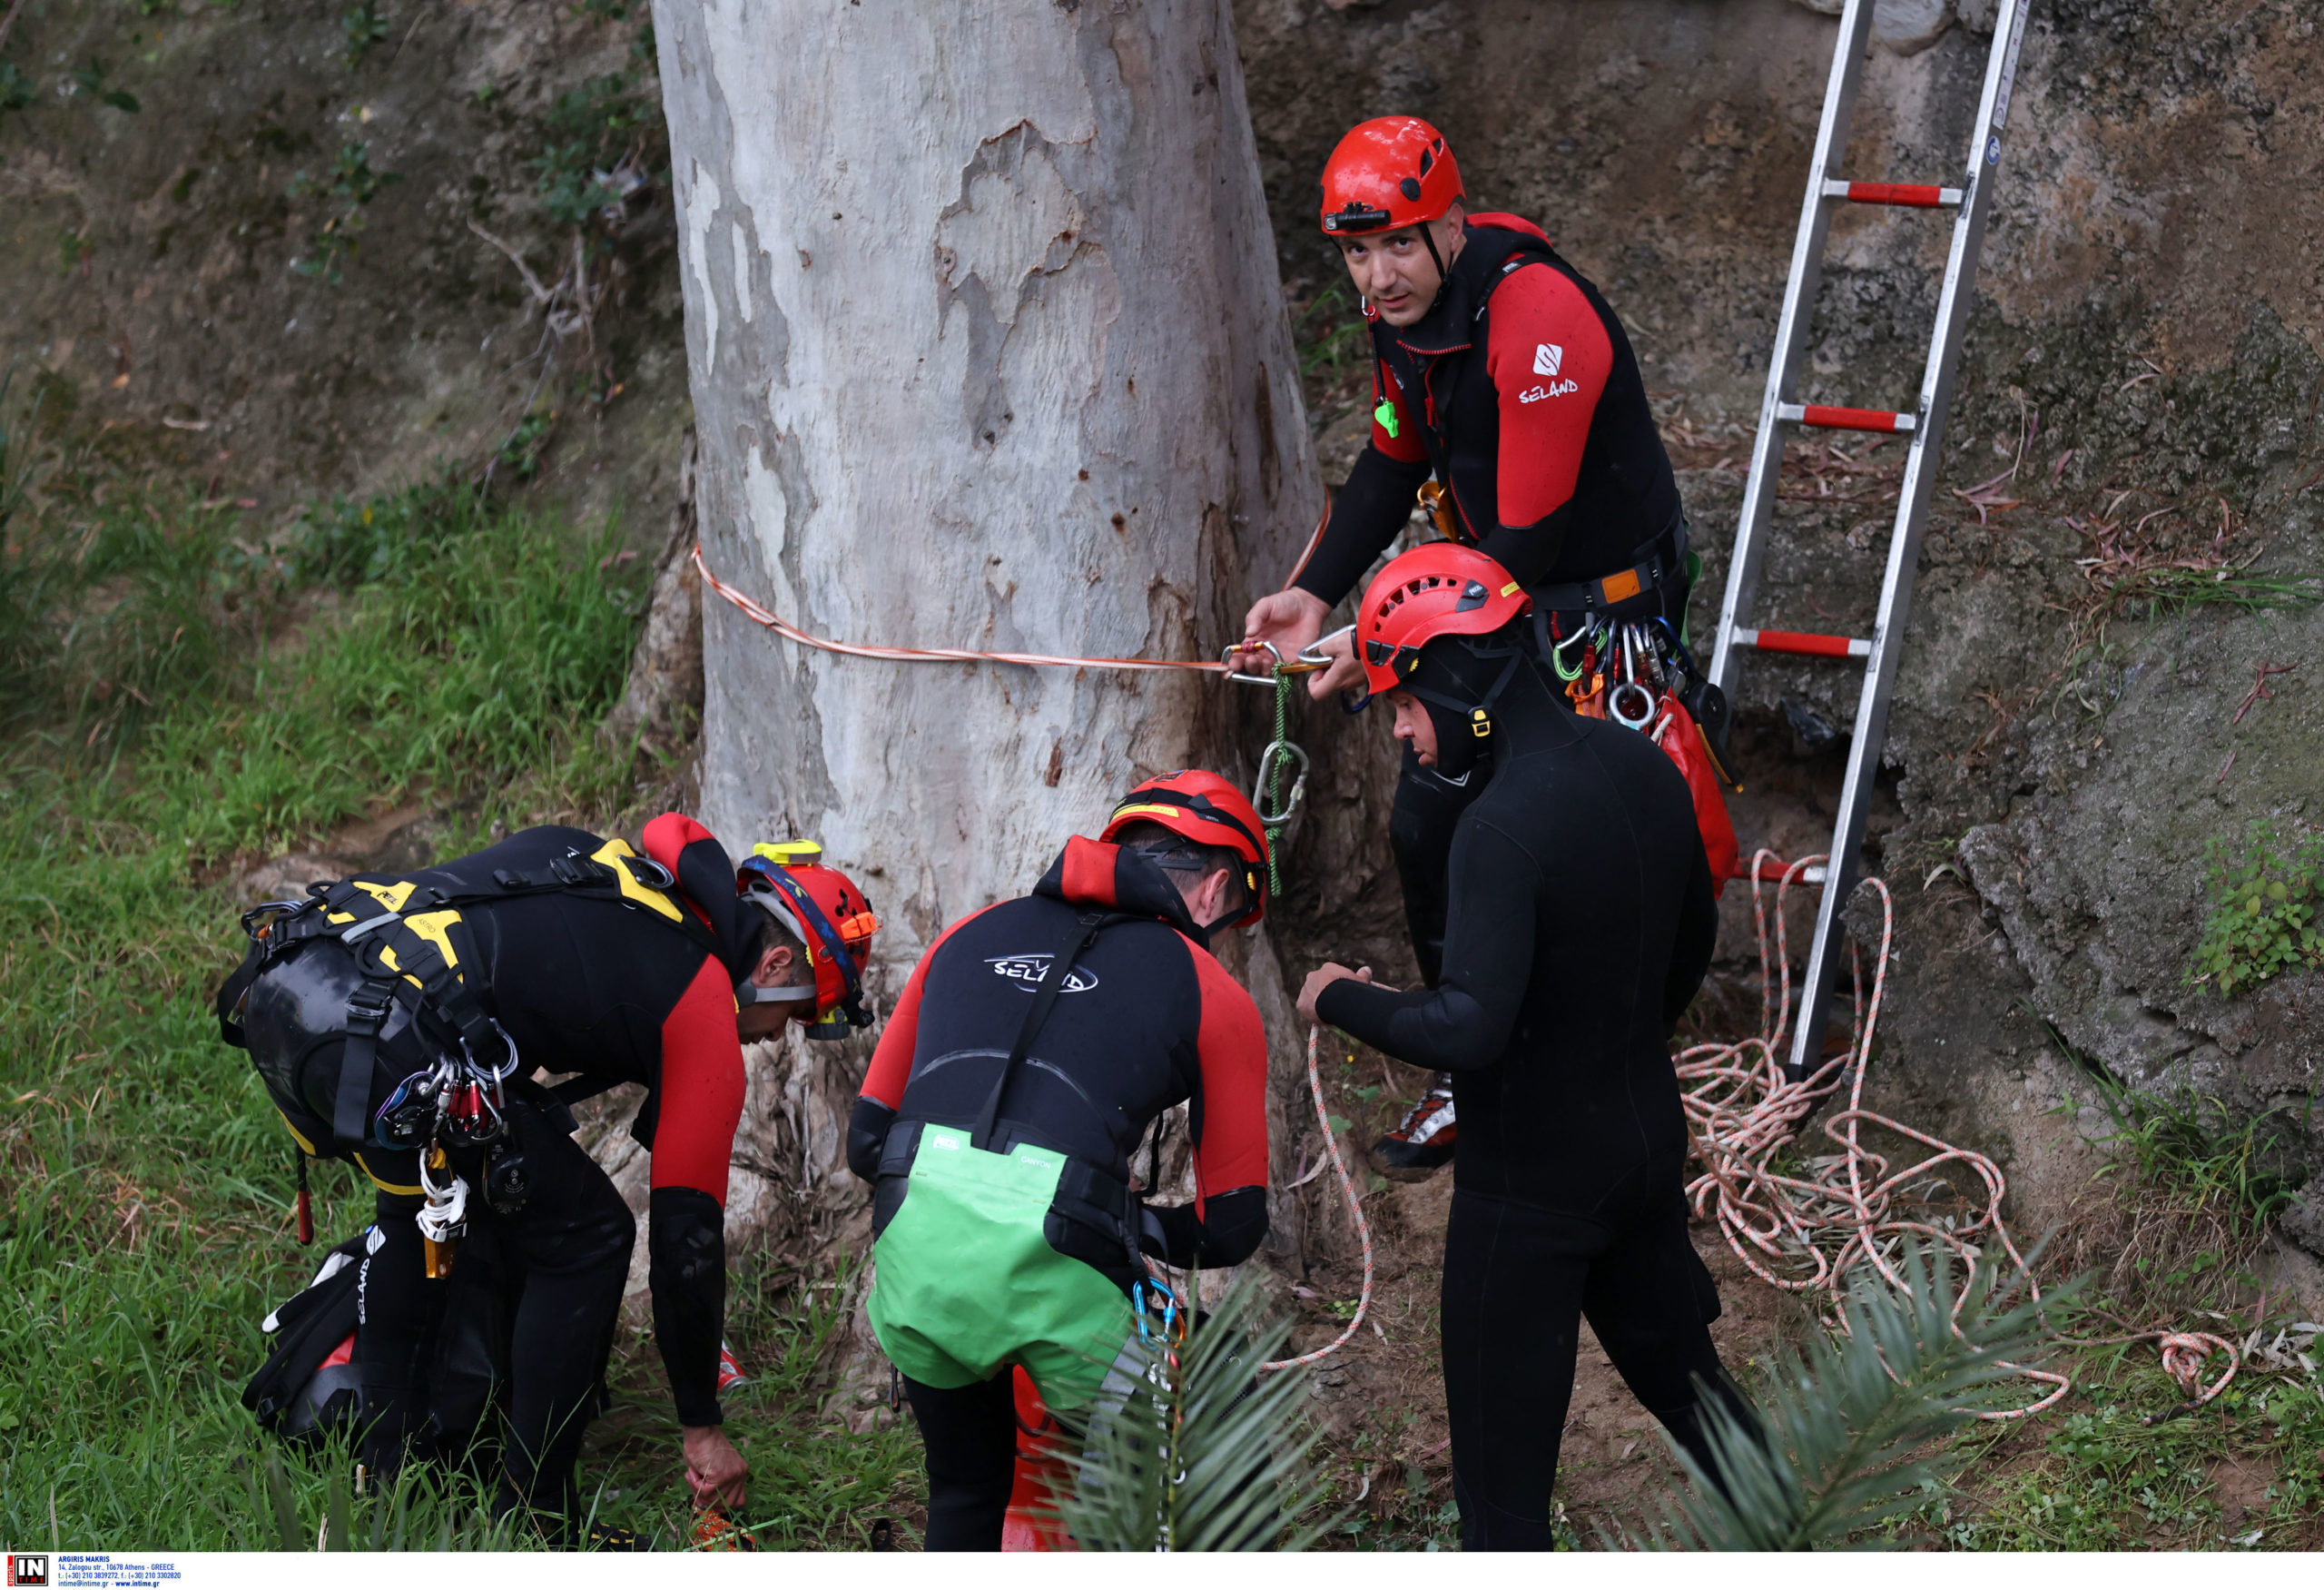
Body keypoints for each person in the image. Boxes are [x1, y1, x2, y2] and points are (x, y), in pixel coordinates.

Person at [1238, 114, 1697, 1177]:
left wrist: (1383, 641)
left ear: (1450, 225)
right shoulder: (1397, 313)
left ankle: (1601, 1054)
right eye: (1356, 252)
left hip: (1586, 613)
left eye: (1398, 244)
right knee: (1427, 818)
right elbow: (1391, 458)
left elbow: (1527, 536)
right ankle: (1469, 1054)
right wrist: (1313, 592)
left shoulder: (1537, 316)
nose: (1377, 275)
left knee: (1569, 826)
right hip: (1491, 597)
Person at [218, 815, 878, 1540]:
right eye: (799, 1014)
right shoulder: (701, 1001)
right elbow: (686, 1247)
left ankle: (389, 1487)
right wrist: (702, 1427)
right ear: (775, 963)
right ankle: (538, 1522)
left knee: (422, 1218)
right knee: (590, 1236)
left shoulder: (613, 872)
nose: (780, 1034)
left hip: (297, 980)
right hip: (391, 1038)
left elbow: (506, 971)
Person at [1294, 544, 1750, 1552]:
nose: (1402, 730)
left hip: (1530, 1195)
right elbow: (1691, 945)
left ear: (1458, 681)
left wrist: (1339, 999)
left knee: (1502, 1516)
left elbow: (1469, 1027)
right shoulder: (1642, 762)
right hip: (1640, 1147)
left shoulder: (1496, 829)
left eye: (1404, 703)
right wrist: (1604, 1037)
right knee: (1703, 1406)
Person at [846, 773, 1273, 1551]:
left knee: (965, 1487)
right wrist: (1125, 1214)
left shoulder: (966, 932)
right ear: (1216, 891)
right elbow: (1234, 1225)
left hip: (915, 1247)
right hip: (1064, 1260)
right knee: (1214, 1394)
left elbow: (867, 1143)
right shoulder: (1211, 988)